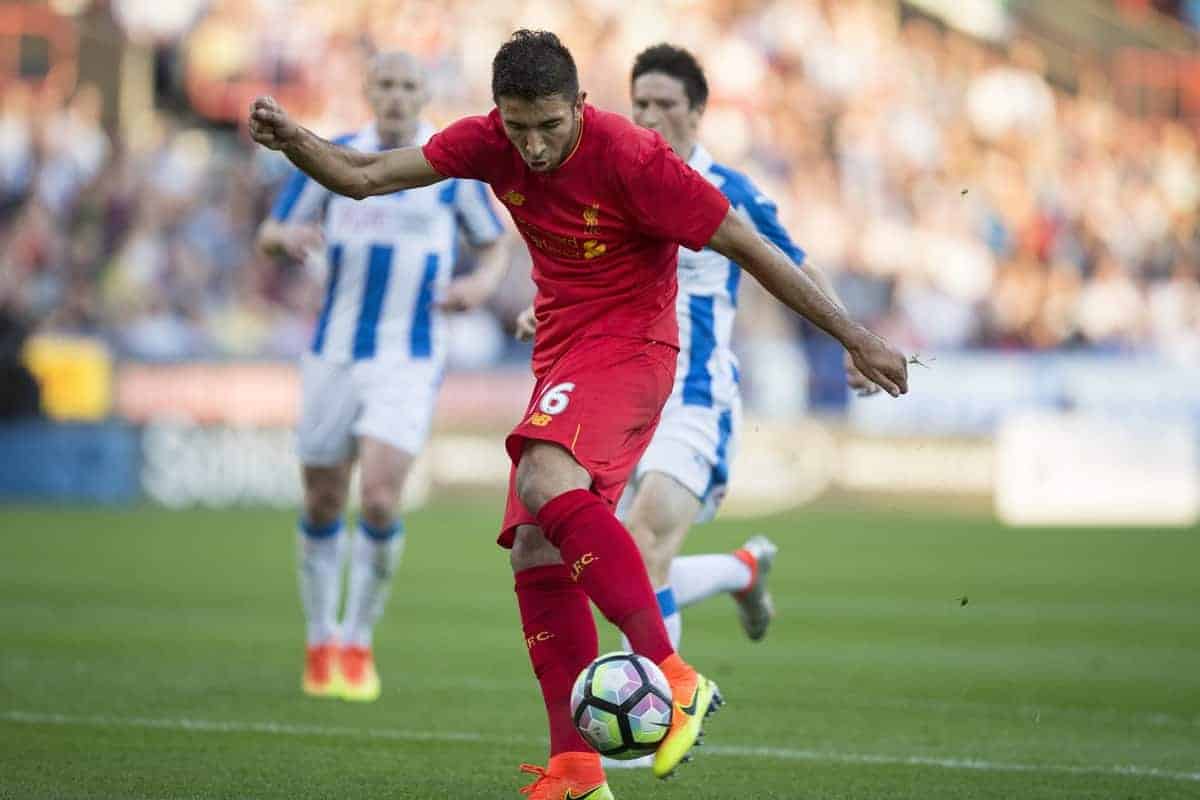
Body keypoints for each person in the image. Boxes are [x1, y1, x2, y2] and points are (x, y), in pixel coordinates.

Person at [249, 29, 908, 799]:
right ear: (499, 112)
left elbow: (749, 245)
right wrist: (296, 139)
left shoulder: (634, 158)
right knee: (534, 548)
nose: (531, 145)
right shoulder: (489, 141)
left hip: (634, 346)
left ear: (581, 107)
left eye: (549, 127)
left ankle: (673, 675)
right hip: (563, 354)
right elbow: (361, 176)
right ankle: (575, 768)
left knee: (542, 475)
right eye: (517, 125)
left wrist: (854, 339)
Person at [256, 51, 510, 704]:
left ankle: (358, 641)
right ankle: (320, 639)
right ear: (369, 91)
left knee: (377, 498)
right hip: (333, 353)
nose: (397, 96)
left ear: (425, 92)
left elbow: (494, 242)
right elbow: (271, 227)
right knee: (320, 499)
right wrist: (284, 240)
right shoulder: (334, 153)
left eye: (408, 86)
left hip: (410, 354)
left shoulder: (449, 168)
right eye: (387, 85)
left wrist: (477, 286)